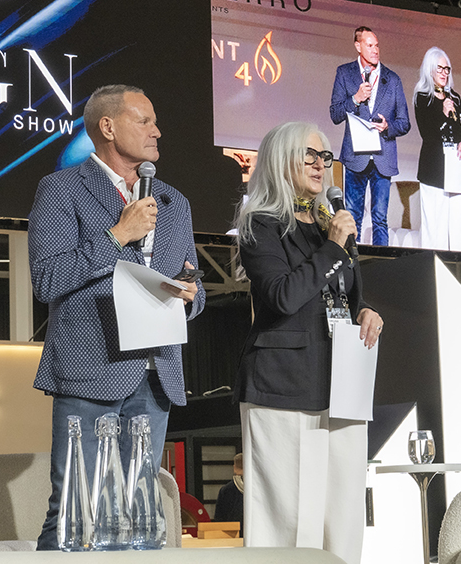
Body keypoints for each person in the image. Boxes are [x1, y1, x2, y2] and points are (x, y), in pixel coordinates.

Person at [28, 84, 205, 550]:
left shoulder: (174, 201)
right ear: (107, 126)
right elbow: (47, 279)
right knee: (74, 512)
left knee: (140, 516)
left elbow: (193, 280)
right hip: (91, 370)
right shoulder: (61, 189)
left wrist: (191, 295)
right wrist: (117, 235)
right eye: (144, 121)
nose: (157, 131)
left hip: (156, 372)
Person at [233, 122, 383, 564]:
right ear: (282, 161)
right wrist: (334, 248)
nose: (321, 165)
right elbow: (283, 296)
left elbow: (344, 297)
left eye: (326, 157)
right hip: (283, 385)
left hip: (343, 382)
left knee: (344, 515)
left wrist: (365, 312)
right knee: (288, 520)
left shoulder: (327, 227)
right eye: (310, 156)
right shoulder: (260, 225)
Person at [329, 26, 411, 246]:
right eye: (369, 45)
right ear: (358, 46)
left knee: (380, 219)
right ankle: (351, 260)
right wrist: (355, 98)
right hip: (356, 157)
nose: (375, 50)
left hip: (383, 158)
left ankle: (380, 263)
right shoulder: (345, 73)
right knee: (352, 217)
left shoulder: (392, 79)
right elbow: (335, 114)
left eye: (377, 45)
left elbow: (404, 123)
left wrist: (388, 126)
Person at [413, 47, 461, 251]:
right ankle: (432, 265)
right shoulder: (422, 98)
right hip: (434, 171)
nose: (444, 73)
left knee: (459, 228)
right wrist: (443, 113)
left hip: (457, 168)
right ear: (429, 69)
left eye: (447, 69)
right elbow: (427, 134)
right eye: (440, 68)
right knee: (434, 230)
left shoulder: (455, 97)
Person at [213, 452, 244, 532]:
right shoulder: (257, 488)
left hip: (231, 533)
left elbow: (219, 518)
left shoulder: (225, 490)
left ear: (234, 467)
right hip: (254, 534)